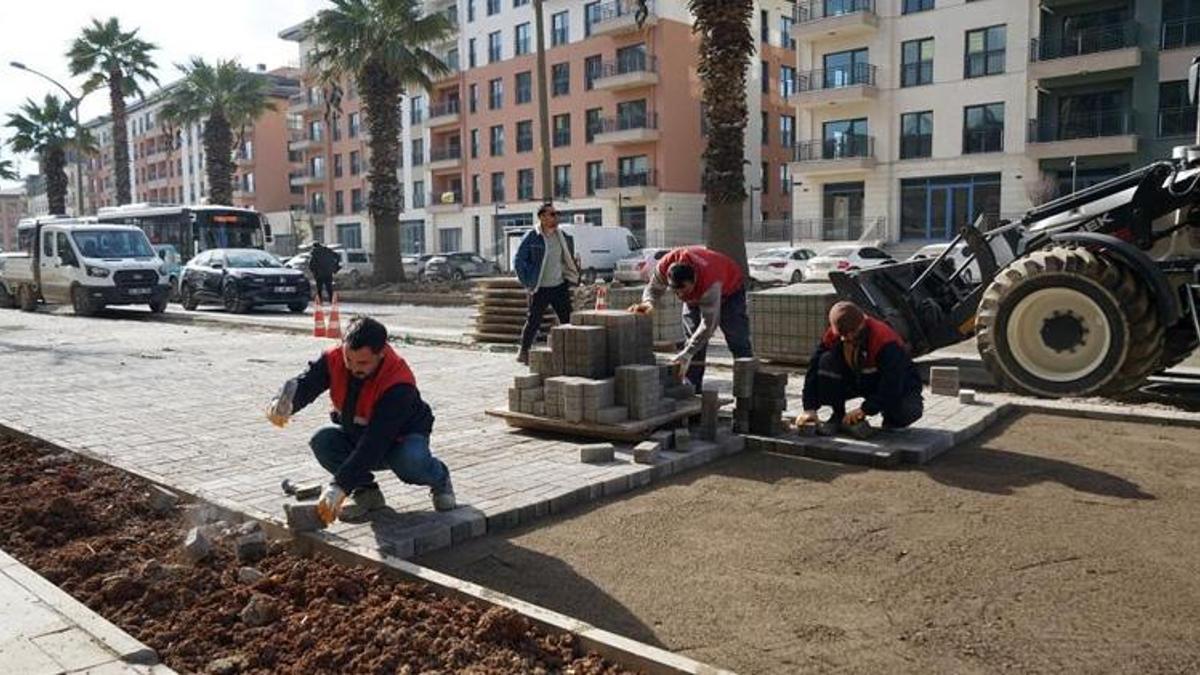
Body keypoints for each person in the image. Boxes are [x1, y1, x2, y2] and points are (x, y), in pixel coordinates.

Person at [266, 316, 456, 523]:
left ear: (381, 353)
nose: (354, 368)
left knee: (409, 462)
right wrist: (285, 404)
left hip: (400, 438)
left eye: (363, 363)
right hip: (358, 430)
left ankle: (439, 478)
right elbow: (307, 383)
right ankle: (367, 494)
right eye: (349, 360)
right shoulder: (334, 358)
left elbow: (374, 443)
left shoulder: (398, 383)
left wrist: (339, 487)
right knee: (323, 441)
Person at [629, 246, 753, 389]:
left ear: (694, 280)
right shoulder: (665, 266)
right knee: (693, 336)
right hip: (700, 289)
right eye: (676, 292)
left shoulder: (710, 284)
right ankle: (692, 385)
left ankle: (749, 383)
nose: (681, 296)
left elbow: (709, 325)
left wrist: (687, 353)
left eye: (684, 291)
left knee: (737, 337)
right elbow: (653, 289)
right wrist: (648, 303)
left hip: (730, 290)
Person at [797, 301, 924, 436]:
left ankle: (891, 419)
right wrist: (809, 408)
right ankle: (838, 415)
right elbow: (813, 367)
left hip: (897, 384)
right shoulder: (835, 334)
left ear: (862, 323)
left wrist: (865, 409)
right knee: (826, 361)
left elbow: (893, 383)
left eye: (853, 332)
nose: (850, 337)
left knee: (906, 410)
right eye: (845, 335)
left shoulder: (885, 341)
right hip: (860, 379)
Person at [514, 203, 580, 364]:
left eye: (557, 214)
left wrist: (573, 276)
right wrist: (528, 282)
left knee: (568, 320)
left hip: (559, 286)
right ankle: (523, 351)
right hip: (539, 288)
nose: (556, 217)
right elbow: (518, 261)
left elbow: (567, 259)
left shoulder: (563, 236)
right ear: (542, 217)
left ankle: (570, 353)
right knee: (533, 321)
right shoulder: (532, 237)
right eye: (552, 214)